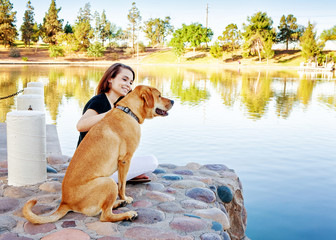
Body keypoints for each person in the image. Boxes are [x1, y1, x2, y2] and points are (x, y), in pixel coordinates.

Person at [76, 63, 158, 183]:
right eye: (124, 79)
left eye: (131, 82)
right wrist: (112, 112)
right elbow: (80, 126)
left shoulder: (119, 104)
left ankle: (124, 175)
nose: (128, 85)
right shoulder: (99, 101)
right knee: (152, 161)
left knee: (146, 161)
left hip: (106, 163)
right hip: (90, 168)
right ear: (110, 78)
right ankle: (117, 178)